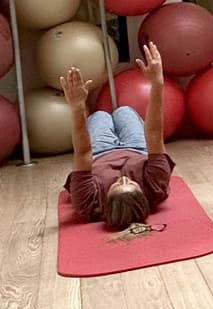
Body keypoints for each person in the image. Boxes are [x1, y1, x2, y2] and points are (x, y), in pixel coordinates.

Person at [60, 43, 173, 228]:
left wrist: (77, 106)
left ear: (106, 202)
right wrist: (157, 82)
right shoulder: (155, 188)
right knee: (124, 111)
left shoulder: (88, 203)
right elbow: (154, 135)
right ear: (144, 196)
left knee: (100, 115)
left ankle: (100, 116)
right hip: (136, 148)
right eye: (132, 184)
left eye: (117, 186)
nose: (124, 179)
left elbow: (82, 153)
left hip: (100, 153)